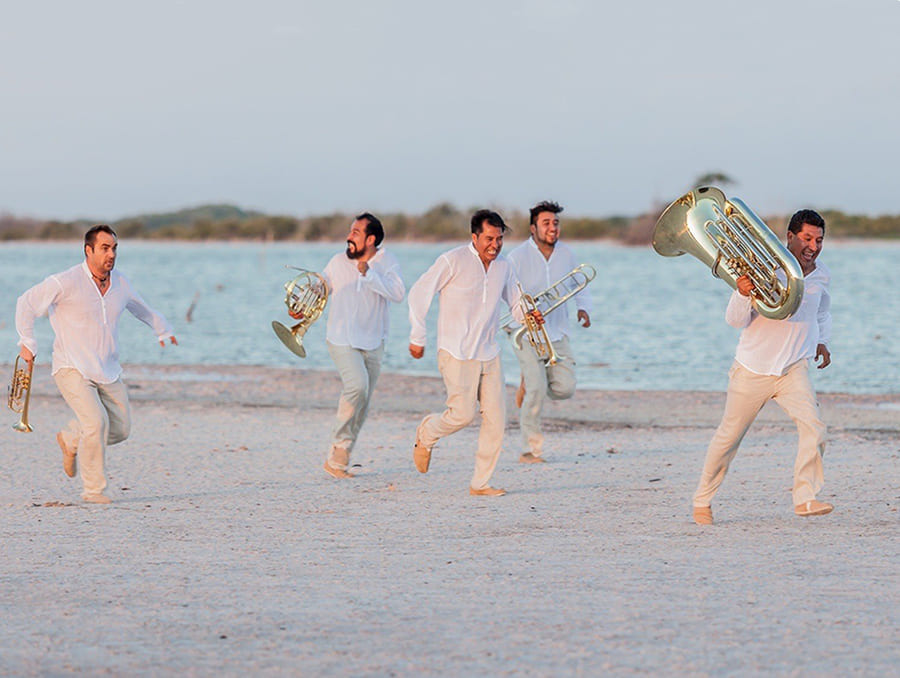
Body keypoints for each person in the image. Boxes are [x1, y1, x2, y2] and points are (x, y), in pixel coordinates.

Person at [15, 225, 177, 504]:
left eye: (114, 248)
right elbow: (26, 303)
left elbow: (140, 307)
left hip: (107, 368)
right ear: (88, 250)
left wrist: (161, 329)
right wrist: (27, 341)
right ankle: (93, 490)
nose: (111, 254)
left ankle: (70, 439)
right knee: (95, 423)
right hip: (71, 366)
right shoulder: (64, 281)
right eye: (104, 248)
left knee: (121, 429)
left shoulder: (121, 283)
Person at [692, 209, 833, 525]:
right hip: (752, 369)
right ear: (790, 237)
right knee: (728, 439)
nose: (813, 246)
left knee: (815, 428)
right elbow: (734, 320)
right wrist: (742, 294)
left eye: (819, 239)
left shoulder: (822, 274)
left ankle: (804, 498)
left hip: (792, 370)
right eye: (807, 238)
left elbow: (822, 312)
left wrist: (823, 340)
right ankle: (702, 500)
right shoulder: (765, 266)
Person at [408, 209, 536, 497]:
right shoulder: (452, 260)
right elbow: (419, 294)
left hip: (489, 352)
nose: (495, 244)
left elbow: (516, 304)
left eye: (500, 239)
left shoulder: (505, 266)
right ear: (474, 236)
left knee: (497, 420)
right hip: (456, 351)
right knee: (462, 415)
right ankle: (427, 433)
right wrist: (417, 336)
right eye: (489, 238)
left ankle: (480, 483)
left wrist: (529, 315)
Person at [306, 213, 405, 479]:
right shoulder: (338, 261)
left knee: (363, 402)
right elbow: (321, 287)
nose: (349, 236)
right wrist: (310, 291)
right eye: (350, 231)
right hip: (341, 338)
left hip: (374, 341)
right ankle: (338, 444)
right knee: (356, 386)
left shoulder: (387, 261)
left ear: (371, 239)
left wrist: (369, 274)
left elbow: (397, 294)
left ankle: (339, 460)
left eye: (356, 232)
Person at [507, 200, 592, 463]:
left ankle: (531, 381)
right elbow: (509, 294)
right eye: (546, 223)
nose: (553, 227)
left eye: (555, 223)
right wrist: (524, 313)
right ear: (533, 228)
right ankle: (530, 450)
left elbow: (581, 282)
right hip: (524, 332)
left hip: (558, 331)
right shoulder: (516, 257)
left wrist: (583, 308)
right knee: (535, 391)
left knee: (565, 387)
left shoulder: (567, 253)